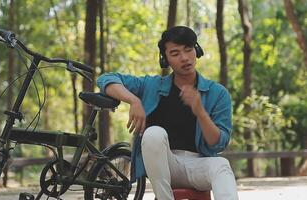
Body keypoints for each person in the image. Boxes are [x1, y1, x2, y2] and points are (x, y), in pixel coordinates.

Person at [96, 26, 238, 200]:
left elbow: (218, 143)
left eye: (188, 50)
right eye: (175, 53)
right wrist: (134, 101)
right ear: (166, 59)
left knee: (222, 164)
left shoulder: (217, 93)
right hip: (163, 164)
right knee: (154, 133)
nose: (184, 58)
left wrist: (200, 111)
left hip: (199, 164)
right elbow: (106, 79)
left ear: (197, 50)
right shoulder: (151, 86)